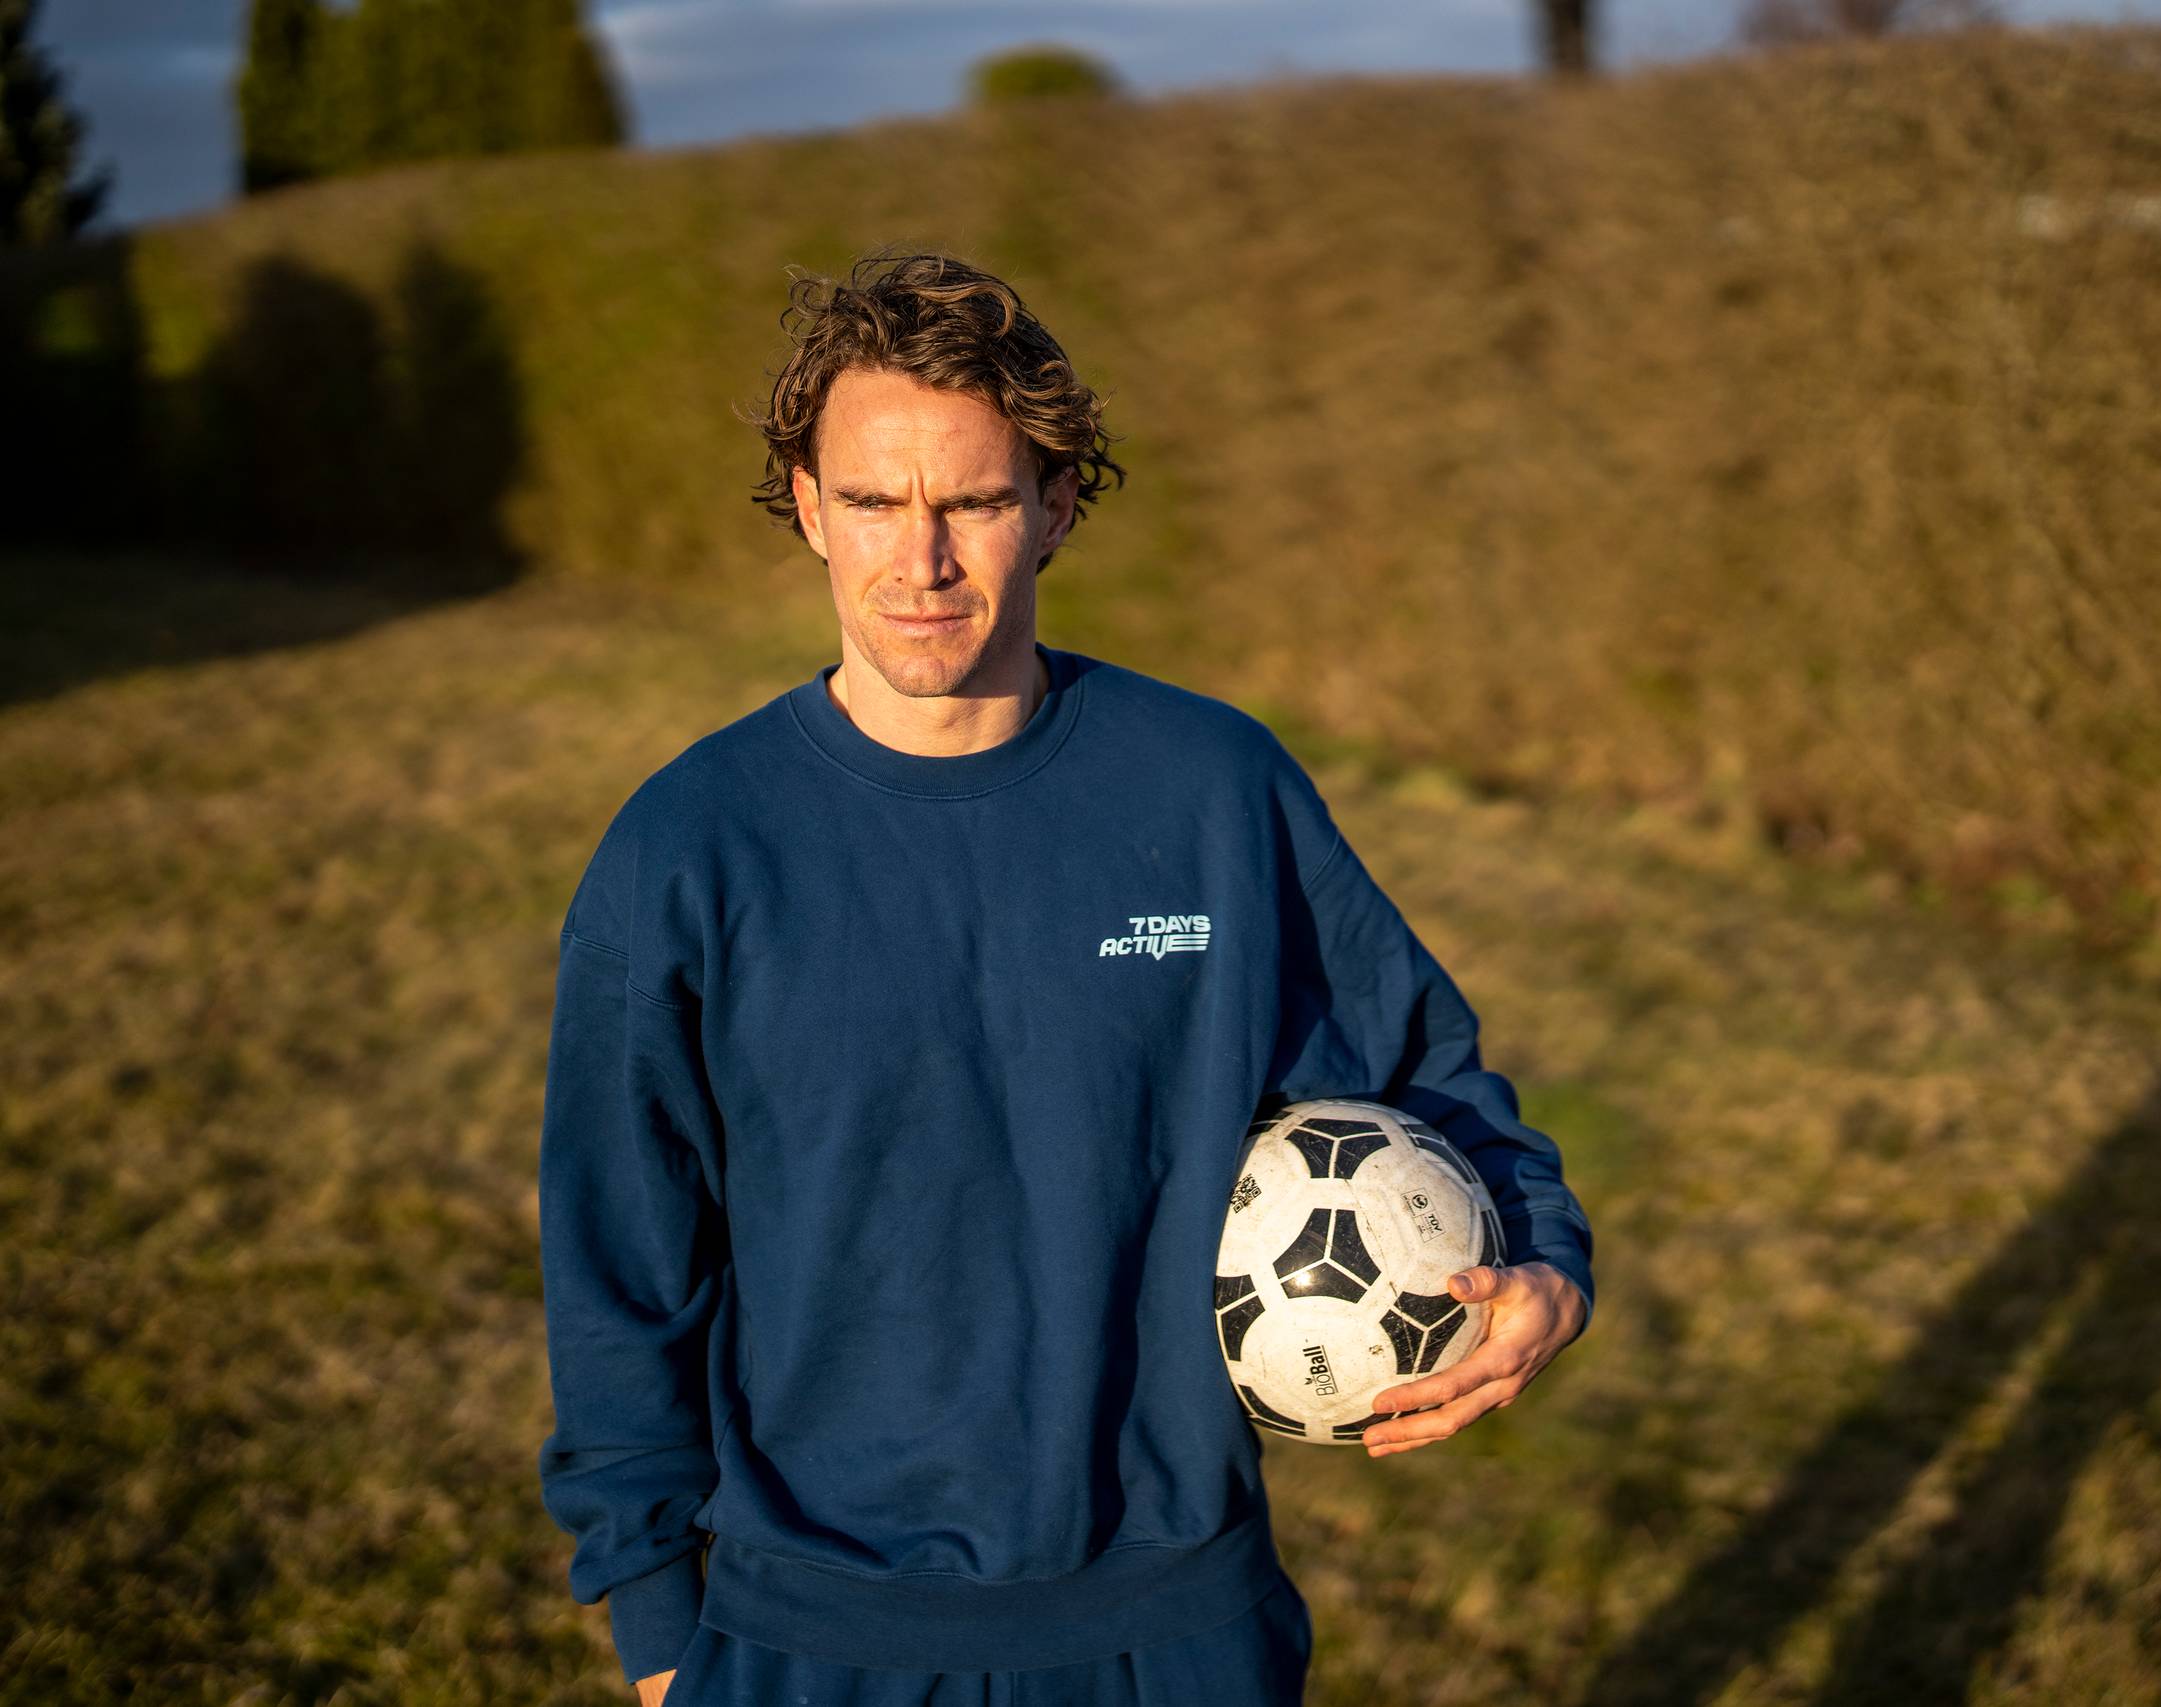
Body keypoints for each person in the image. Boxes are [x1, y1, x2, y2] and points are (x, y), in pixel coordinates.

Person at [534, 248, 1598, 1707]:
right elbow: (621, 1264)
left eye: (972, 502)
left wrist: (1543, 1268)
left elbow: (1429, 1082)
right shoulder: (689, 849)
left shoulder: (1213, 791)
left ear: (1053, 504)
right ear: (805, 505)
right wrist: (659, 1626)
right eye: (871, 503)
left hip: (1174, 1631)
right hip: (809, 1638)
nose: (922, 564)